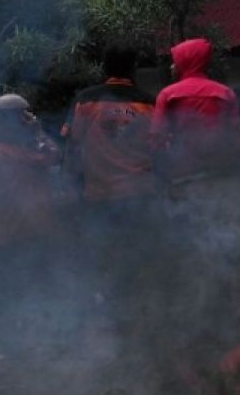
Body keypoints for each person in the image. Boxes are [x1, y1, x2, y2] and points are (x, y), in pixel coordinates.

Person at [61, 44, 156, 332]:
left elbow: (71, 144)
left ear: (105, 69)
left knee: (105, 258)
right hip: (138, 195)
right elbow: (158, 147)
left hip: (99, 197)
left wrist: (71, 186)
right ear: (133, 69)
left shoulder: (86, 101)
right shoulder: (147, 103)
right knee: (138, 258)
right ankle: (138, 319)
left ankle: (115, 320)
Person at [0, 94, 61, 353]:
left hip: (6, 234)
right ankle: (28, 336)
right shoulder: (35, 154)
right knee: (33, 285)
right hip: (34, 231)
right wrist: (39, 131)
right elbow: (55, 155)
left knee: (6, 288)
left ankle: (7, 339)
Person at [149, 38, 239, 186]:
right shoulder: (226, 93)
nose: (172, 67)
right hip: (219, 173)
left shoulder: (167, 94)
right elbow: (234, 136)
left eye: (175, 61)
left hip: (181, 174)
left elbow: (156, 139)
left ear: (185, 62)